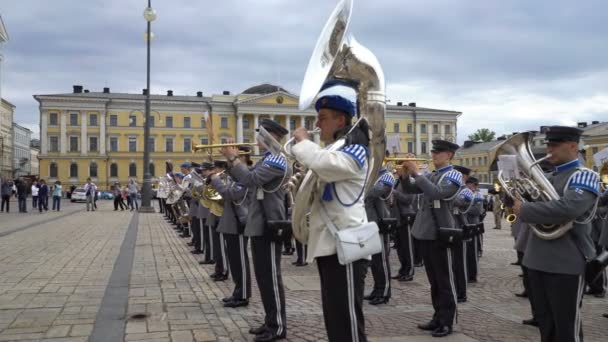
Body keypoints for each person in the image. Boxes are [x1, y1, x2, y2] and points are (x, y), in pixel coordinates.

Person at [289, 81, 370, 342]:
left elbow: (328, 164)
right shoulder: (333, 149)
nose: (316, 125)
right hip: (331, 245)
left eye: (322, 118)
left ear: (340, 119)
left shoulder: (355, 148)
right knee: (335, 317)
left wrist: (302, 143)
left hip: (345, 244)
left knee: (347, 320)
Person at [512, 126, 599, 342]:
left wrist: (525, 209)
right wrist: (513, 192)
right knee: (545, 322)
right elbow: (524, 204)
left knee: (566, 325)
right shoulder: (547, 176)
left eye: (555, 145)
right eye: (548, 144)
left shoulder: (585, 176)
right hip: (536, 258)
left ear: (573, 145)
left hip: (566, 261)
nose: (549, 149)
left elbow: (568, 209)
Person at [221, 118, 290, 342]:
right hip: (260, 224)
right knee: (263, 277)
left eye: (261, 135)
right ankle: (270, 321)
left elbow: (250, 179)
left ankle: (278, 325)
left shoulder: (278, 161)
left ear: (270, 136)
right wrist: (233, 163)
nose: (257, 140)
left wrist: (233, 158)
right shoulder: (268, 159)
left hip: (270, 224)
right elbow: (246, 179)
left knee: (270, 276)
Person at [400, 139, 463, 338]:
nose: (434, 155)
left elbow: (437, 194)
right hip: (426, 232)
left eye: (439, 153)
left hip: (442, 232)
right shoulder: (433, 174)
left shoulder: (453, 175)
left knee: (445, 280)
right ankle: (437, 316)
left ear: (449, 155)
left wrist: (417, 173)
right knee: (434, 280)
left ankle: (447, 321)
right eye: (434, 152)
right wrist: (404, 177)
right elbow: (412, 190)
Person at [210, 157, 251, 308]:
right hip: (230, 224)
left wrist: (215, 179)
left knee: (240, 262)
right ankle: (238, 292)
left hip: (238, 225)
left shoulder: (244, 179)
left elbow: (230, 194)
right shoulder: (235, 179)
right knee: (234, 262)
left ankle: (243, 295)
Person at [364, 167, 395, 305]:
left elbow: (375, 192)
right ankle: (377, 289)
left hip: (380, 223)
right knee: (374, 262)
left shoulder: (386, 176)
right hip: (369, 224)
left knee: (382, 261)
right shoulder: (370, 175)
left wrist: (360, 184)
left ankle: (384, 291)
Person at [392, 168, 418, 282]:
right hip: (397, 216)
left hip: (406, 215)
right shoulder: (397, 181)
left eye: (399, 169)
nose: (397, 170)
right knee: (400, 247)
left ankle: (410, 271)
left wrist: (394, 192)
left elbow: (409, 199)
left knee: (407, 246)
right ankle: (403, 270)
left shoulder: (410, 182)